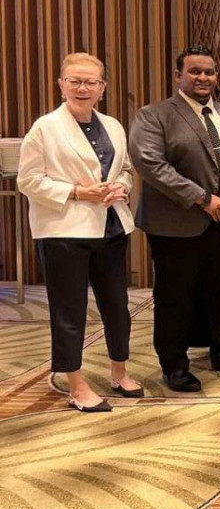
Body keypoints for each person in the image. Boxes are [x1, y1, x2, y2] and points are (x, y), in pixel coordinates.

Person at [129, 46, 220, 392]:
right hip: (177, 225)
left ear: (217, 77)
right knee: (175, 297)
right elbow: (151, 164)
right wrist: (202, 199)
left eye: (209, 72)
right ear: (178, 76)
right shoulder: (154, 115)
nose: (203, 78)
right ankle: (174, 365)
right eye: (195, 71)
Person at [17, 53, 140, 411]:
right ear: (61, 84)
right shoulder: (45, 127)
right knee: (69, 310)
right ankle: (76, 382)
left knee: (117, 305)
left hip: (111, 227)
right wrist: (77, 192)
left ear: (103, 87)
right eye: (75, 81)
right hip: (64, 231)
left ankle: (119, 371)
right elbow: (28, 180)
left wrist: (121, 187)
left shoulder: (113, 125)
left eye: (91, 82)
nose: (82, 88)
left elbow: (126, 169)